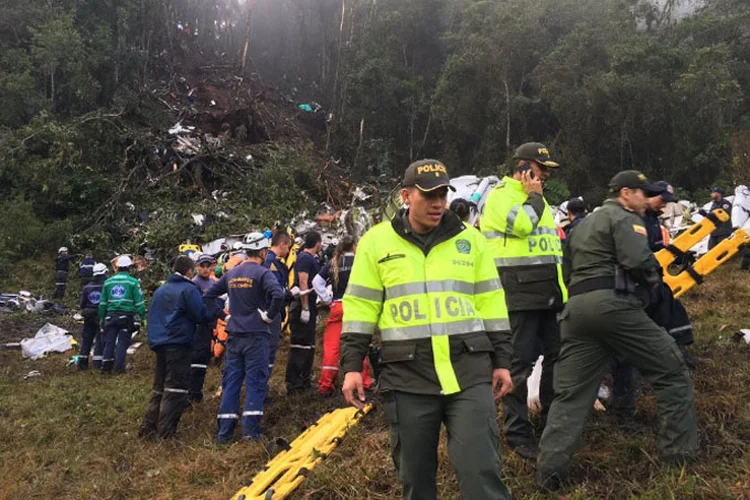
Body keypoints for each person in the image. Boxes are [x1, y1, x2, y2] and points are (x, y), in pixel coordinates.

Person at [341, 159, 514, 500]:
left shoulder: (470, 241)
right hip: (408, 375)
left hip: (468, 370)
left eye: (443, 195)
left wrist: (503, 360)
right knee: (415, 478)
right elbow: (361, 307)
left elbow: (492, 304)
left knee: (481, 470)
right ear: (406, 196)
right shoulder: (376, 243)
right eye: (429, 195)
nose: (438, 203)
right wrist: (351, 367)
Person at [536, 170, 698, 490]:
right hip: (615, 306)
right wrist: (655, 288)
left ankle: (549, 471)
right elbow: (638, 261)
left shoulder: (580, 226)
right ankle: (679, 457)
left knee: (571, 395)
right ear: (626, 193)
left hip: (577, 310)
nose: (646, 200)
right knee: (671, 368)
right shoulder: (625, 219)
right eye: (642, 193)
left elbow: (566, 269)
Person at [479, 142, 566, 460]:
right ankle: (517, 432)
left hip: (549, 297)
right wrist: (535, 196)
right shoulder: (501, 197)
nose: (544, 176)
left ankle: (549, 423)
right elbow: (521, 226)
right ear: (525, 168)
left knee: (558, 361)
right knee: (517, 367)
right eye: (541, 170)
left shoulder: (540, 202)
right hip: (518, 297)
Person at [204, 232, 284, 443]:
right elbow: (278, 295)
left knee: (232, 382)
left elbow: (208, 296)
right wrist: (268, 316)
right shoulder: (263, 273)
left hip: (234, 335)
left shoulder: (232, 273)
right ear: (263, 251)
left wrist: (224, 317)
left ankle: (224, 434)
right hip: (256, 336)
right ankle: (251, 432)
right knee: (256, 382)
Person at [140, 256, 218, 439]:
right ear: (190, 271)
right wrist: (214, 313)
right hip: (179, 343)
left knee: (159, 387)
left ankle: (148, 428)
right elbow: (200, 314)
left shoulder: (161, 290)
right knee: (176, 388)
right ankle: (166, 432)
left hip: (159, 343)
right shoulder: (188, 290)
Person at [312, 235, 372, 397]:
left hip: (338, 306)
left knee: (332, 347)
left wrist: (327, 300)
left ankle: (326, 384)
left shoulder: (333, 262)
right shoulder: (360, 262)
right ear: (353, 246)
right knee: (358, 343)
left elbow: (316, 282)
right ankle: (364, 381)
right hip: (356, 306)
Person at [285, 231, 322, 394]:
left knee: (308, 346)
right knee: (300, 345)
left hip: (310, 305)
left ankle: (304, 380)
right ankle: (294, 383)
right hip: (301, 306)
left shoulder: (308, 258)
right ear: (318, 243)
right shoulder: (305, 258)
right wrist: (305, 307)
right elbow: (303, 282)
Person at [98, 255, 146, 373]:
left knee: (109, 341)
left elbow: (102, 303)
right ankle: (119, 368)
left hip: (110, 316)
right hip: (126, 317)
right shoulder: (133, 282)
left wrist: (102, 318)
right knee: (122, 343)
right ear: (129, 267)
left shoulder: (108, 282)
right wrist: (143, 318)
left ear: (117, 267)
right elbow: (139, 303)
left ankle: (106, 367)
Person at [263, 232, 299, 377]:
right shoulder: (271, 263)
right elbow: (274, 291)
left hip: (271, 310)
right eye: (288, 247)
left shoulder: (273, 261)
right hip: (271, 312)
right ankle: (261, 391)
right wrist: (291, 294)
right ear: (282, 244)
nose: (288, 251)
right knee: (268, 354)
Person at [188, 254, 218, 403]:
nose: (205, 269)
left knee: (205, 358)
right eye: (202, 266)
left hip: (210, 325)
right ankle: (193, 393)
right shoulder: (194, 284)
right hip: (199, 326)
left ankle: (197, 391)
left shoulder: (213, 282)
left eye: (208, 266)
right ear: (197, 267)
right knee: (197, 360)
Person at [77, 263, 108, 370]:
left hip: (88, 315)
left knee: (87, 339)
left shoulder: (87, 287)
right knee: (100, 338)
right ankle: (97, 363)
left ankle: (82, 363)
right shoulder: (106, 286)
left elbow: (82, 304)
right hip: (100, 315)